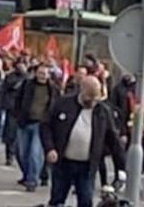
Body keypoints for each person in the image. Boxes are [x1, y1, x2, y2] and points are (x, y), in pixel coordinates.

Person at [41, 75, 124, 207]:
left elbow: (113, 139)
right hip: (63, 162)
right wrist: (50, 148)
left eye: (95, 98)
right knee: (57, 199)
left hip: (87, 165)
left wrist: (121, 167)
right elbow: (46, 126)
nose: (91, 102)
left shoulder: (103, 112)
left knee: (85, 200)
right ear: (81, 90)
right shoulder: (63, 103)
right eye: (88, 97)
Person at [15, 62, 56, 193]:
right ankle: (27, 174)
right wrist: (17, 114)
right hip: (25, 122)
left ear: (49, 75)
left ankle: (32, 180)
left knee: (35, 153)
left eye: (45, 74)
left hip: (41, 124)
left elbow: (55, 106)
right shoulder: (27, 85)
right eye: (40, 73)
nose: (42, 76)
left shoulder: (53, 89)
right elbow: (17, 100)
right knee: (22, 153)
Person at [2, 58, 28, 167]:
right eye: (20, 64)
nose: (22, 67)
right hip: (12, 109)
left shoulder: (29, 79)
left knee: (22, 138)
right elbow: (5, 89)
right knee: (11, 135)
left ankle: (21, 157)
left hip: (24, 112)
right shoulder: (10, 77)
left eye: (23, 65)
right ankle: (9, 156)